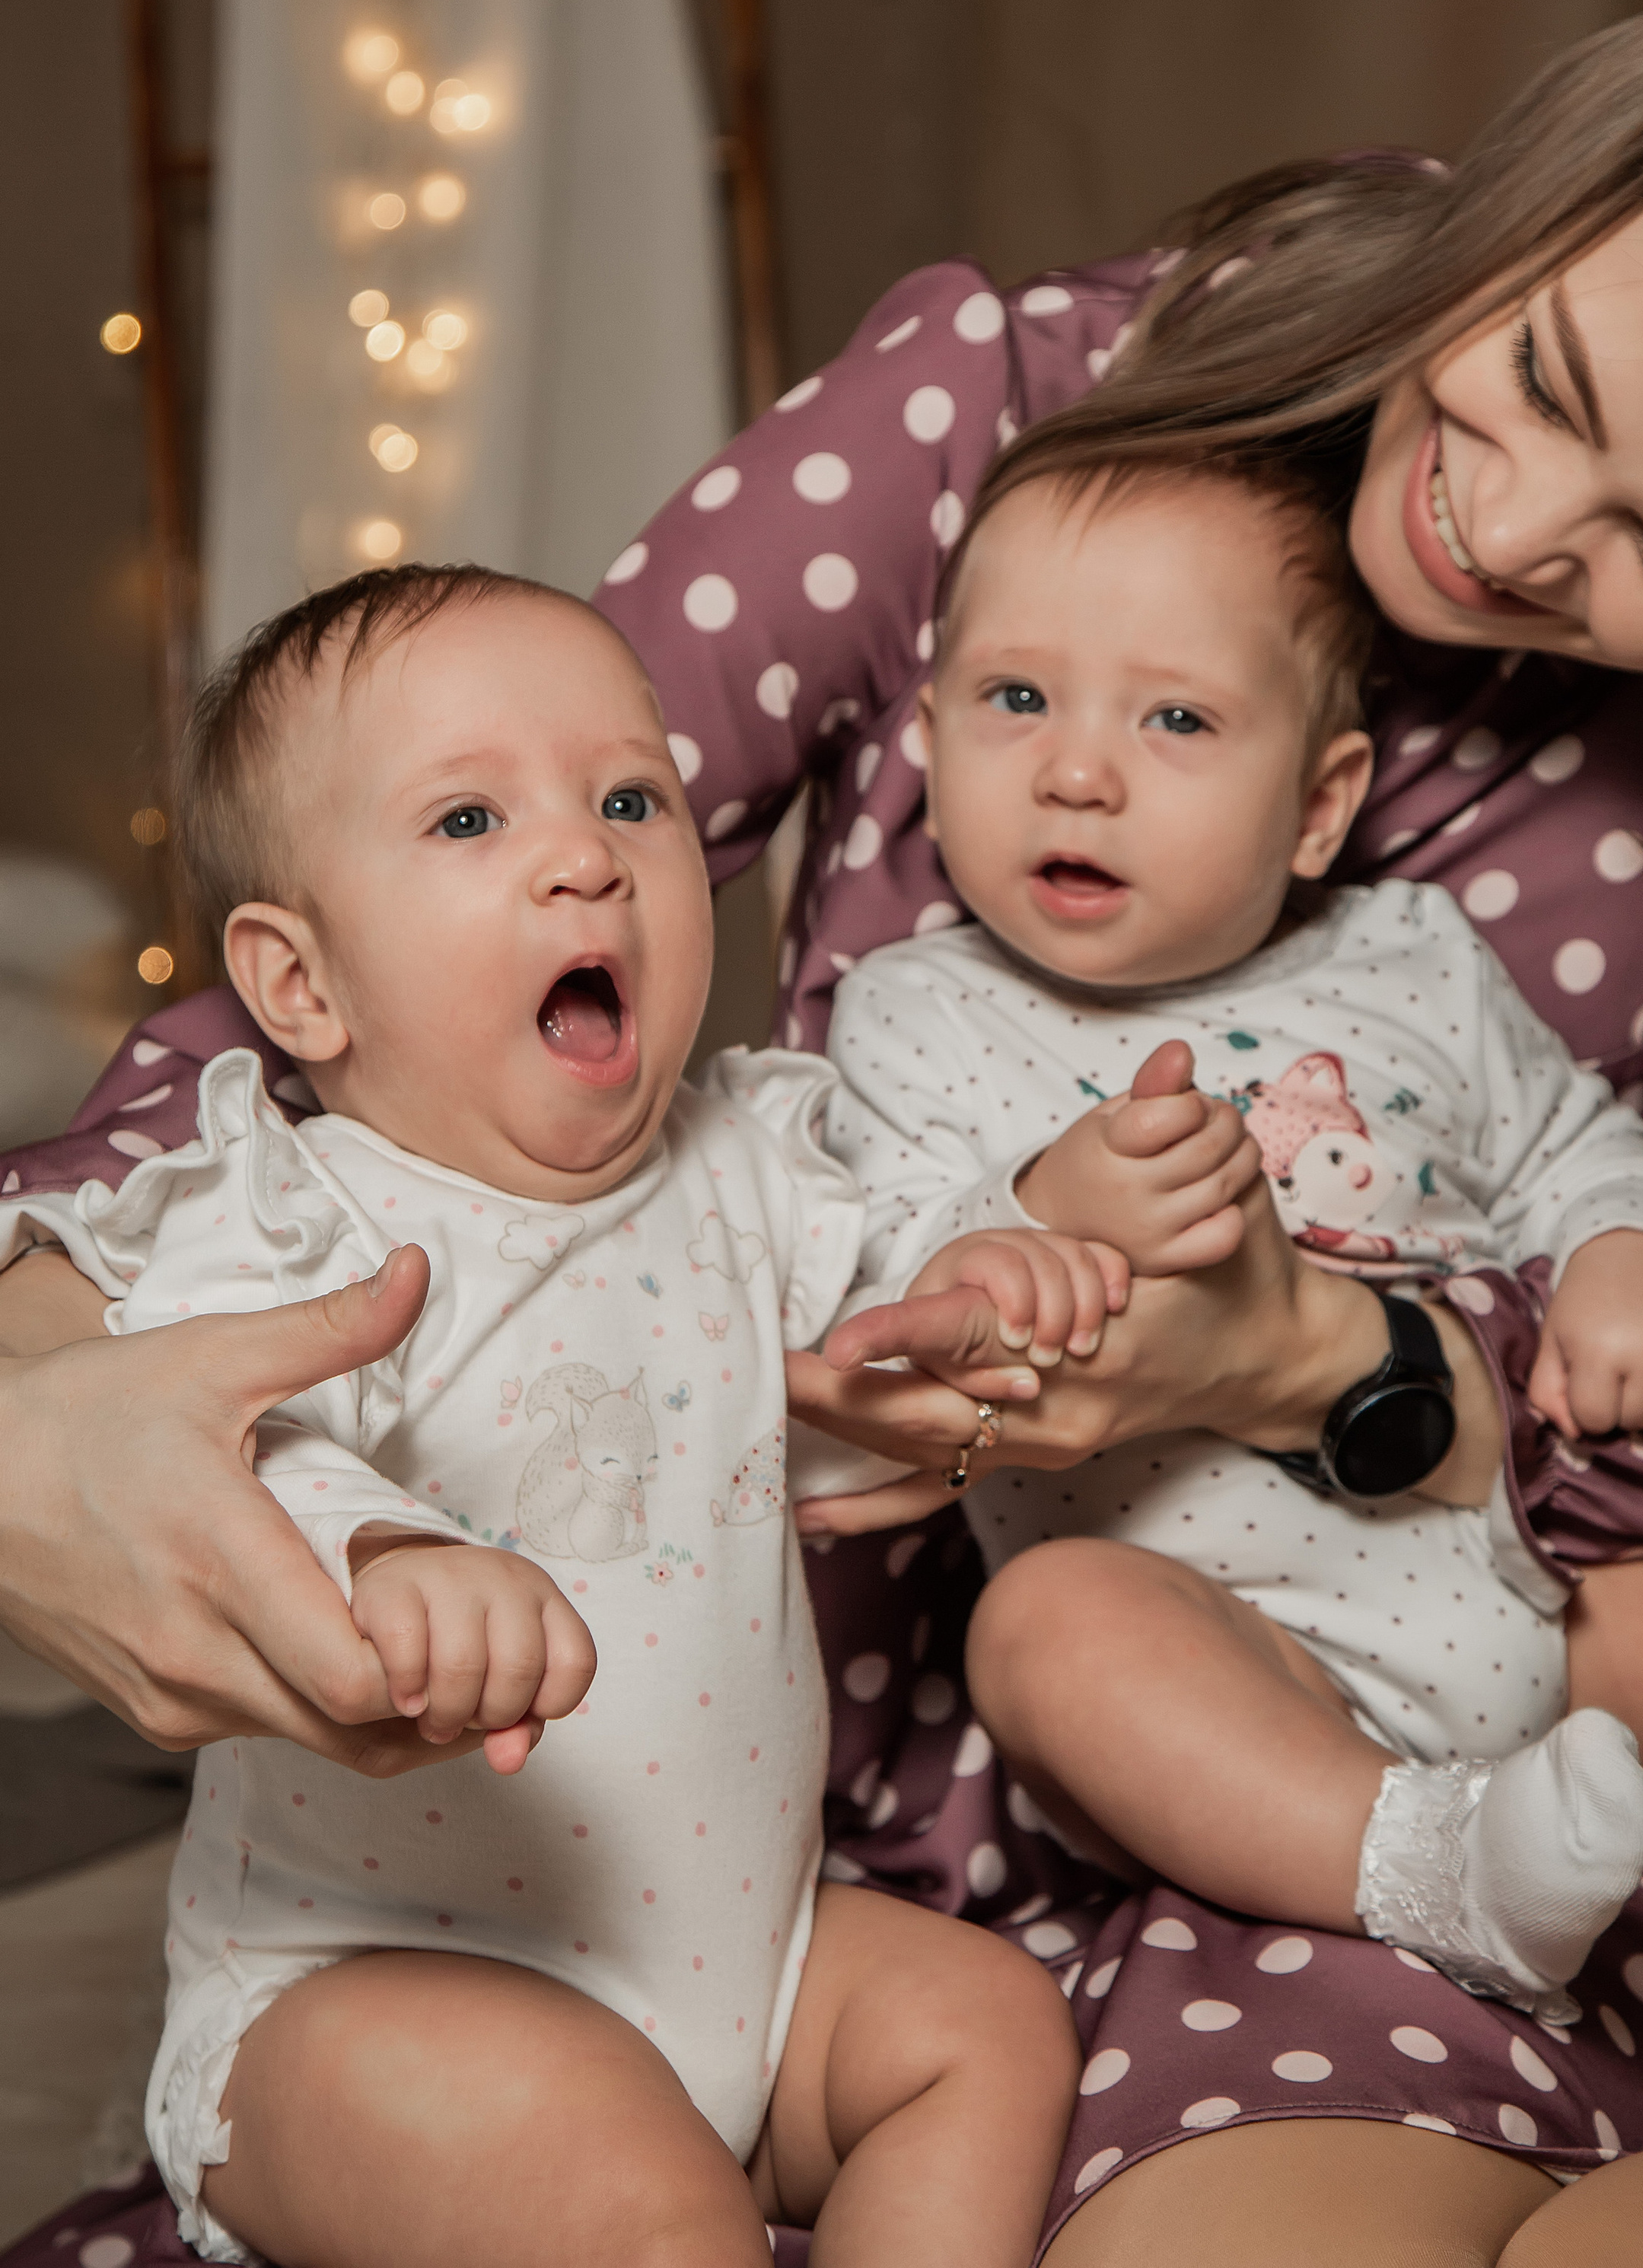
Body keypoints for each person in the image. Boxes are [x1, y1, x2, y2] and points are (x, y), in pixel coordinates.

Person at [8, 0, 1643, 2261]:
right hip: (820, 1804)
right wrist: (47, 1373)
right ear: (1549, 182)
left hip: (1409, 1756)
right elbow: (417, 870)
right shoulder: (1000, 415)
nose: (1525, 529)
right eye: (1533, 379)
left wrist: (1352, 1367)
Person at [1, 563, 1078, 2268]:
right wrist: (387, 1551)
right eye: (468, 820)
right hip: (365, 1993)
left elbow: (894, 1267)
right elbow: (218, 1442)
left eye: (630, 796)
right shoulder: (295, 1216)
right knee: (645, 2219)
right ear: (298, 986)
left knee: (989, 2032)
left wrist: (981, 1272)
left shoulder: (740, 1165)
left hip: (743, 1962)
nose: (584, 854)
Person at [810, 441, 1643, 2035]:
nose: (1076, 772)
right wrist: (1032, 1217)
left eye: (1176, 718)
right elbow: (884, 1266)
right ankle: (1422, 1873)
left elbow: (1570, 1144)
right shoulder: (914, 1014)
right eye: (1013, 701)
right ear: (924, 739)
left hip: (1517, 1585)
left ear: (1317, 804)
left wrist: (1632, 1262)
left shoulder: (1409, 954)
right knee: (1040, 1634)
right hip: (1209, 1643)